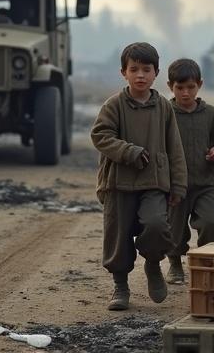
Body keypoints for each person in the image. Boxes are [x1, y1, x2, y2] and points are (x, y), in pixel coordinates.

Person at [91, 42, 187, 311]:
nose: (140, 75)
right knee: (118, 236)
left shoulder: (164, 108)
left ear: (156, 73)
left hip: (154, 182)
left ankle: (153, 264)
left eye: (147, 69)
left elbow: (174, 147)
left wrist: (178, 185)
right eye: (134, 69)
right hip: (119, 183)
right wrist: (127, 151)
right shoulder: (114, 105)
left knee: (157, 225)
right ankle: (121, 286)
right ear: (124, 72)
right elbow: (100, 136)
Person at [165, 58, 214, 284]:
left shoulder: (210, 113)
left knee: (210, 222)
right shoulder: (165, 113)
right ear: (171, 86)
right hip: (175, 186)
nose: (186, 93)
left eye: (191, 87)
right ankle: (175, 264)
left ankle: (209, 264)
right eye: (180, 88)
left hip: (205, 184)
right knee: (174, 230)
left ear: (200, 84)